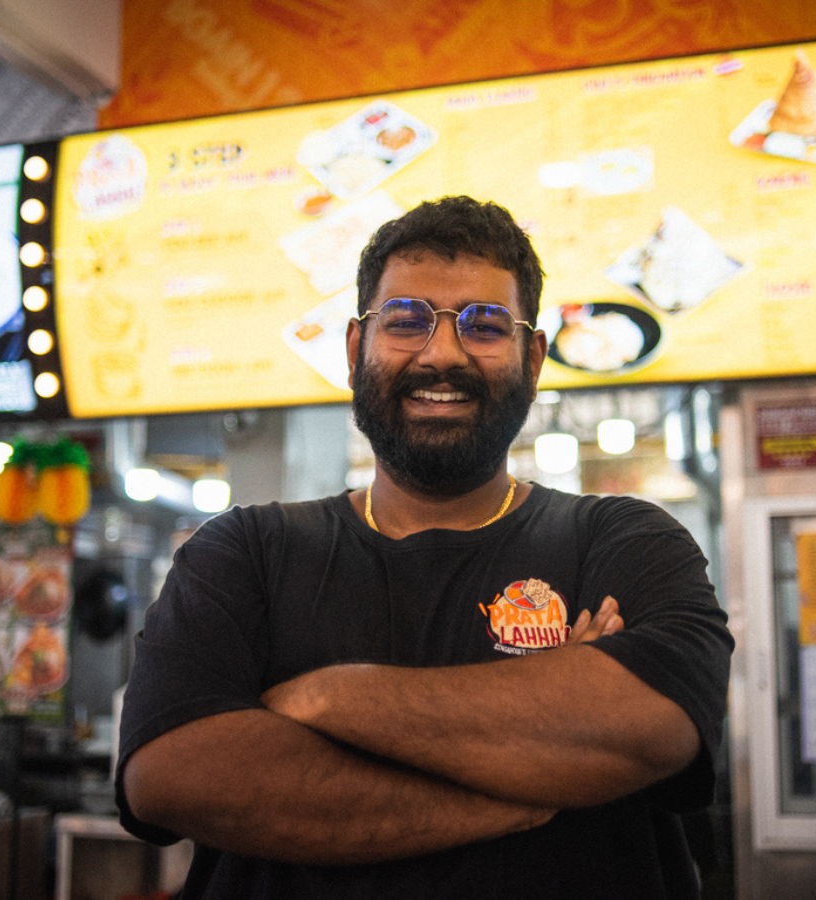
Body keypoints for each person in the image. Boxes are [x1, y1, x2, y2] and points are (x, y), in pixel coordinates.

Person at [116, 195, 734, 899]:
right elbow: (173, 775)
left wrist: (323, 695)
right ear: (356, 350)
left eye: (486, 325)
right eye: (406, 321)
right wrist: (524, 784)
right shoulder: (246, 551)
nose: (442, 353)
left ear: (533, 359)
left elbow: (651, 728)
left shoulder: (624, 540)